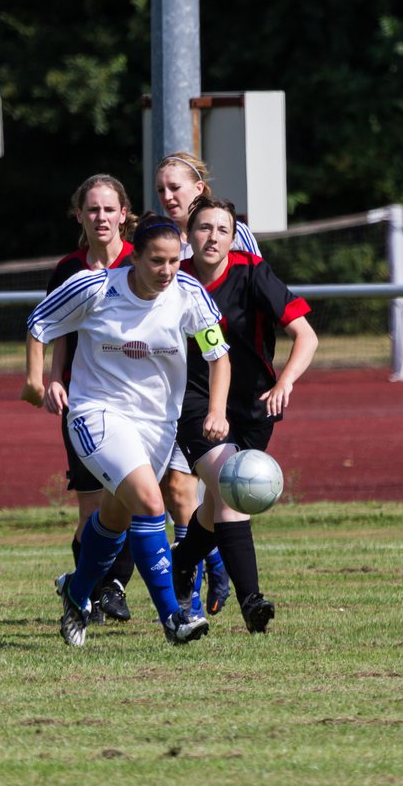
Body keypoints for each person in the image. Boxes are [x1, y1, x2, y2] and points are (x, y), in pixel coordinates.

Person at [26, 213, 231, 646]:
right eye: (157, 261)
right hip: (96, 413)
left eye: (175, 261)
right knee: (150, 501)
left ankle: (76, 594)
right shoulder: (96, 287)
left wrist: (216, 410)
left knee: (117, 518)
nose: (168, 271)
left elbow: (218, 355)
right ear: (133, 256)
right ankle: (173, 619)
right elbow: (39, 323)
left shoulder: (188, 293)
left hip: (157, 425)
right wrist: (35, 379)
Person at [171, 195, 318, 633]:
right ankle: (252, 601)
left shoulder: (252, 272)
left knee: (216, 501)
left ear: (233, 238)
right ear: (189, 236)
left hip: (254, 405)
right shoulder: (173, 280)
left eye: (221, 229)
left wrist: (284, 381)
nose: (212, 237)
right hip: (196, 404)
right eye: (203, 228)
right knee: (234, 486)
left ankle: (181, 561)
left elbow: (305, 335)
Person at [21, 174, 137, 623]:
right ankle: (96, 589)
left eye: (110, 209)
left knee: (133, 499)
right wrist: (53, 379)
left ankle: (101, 587)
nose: (102, 217)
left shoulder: (140, 261)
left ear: (124, 215)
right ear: (80, 216)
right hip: (85, 402)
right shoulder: (69, 269)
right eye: (93, 209)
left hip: (136, 401)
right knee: (92, 508)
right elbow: (57, 329)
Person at [152, 152, 258, 616]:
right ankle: (194, 590)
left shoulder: (230, 232)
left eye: (176, 186)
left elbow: (251, 293)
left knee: (220, 493)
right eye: (161, 189)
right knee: (179, 489)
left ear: (200, 188)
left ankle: (203, 563)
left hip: (227, 388)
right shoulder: (158, 239)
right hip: (174, 390)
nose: (168, 196)